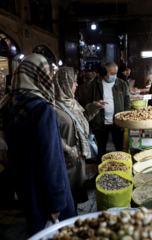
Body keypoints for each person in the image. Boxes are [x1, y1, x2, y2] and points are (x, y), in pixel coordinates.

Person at [0, 54, 76, 236]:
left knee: (36, 230)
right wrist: (56, 202)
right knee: (61, 232)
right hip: (46, 189)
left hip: (25, 185)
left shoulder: (6, 104)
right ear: (39, 77)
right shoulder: (42, 109)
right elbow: (51, 159)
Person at [53, 67, 106, 208]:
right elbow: (50, 135)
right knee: (67, 193)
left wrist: (94, 107)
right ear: (64, 83)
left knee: (75, 192)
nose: (76, 84)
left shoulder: (72, 102)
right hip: (66, 158)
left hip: (77, 156)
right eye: (74, 81)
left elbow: (82, 118)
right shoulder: (53, 107)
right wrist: (66, 147)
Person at [90, 62, 131, 164]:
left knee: (119, 148)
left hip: (117, 122)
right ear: (104, 72)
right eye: (112, 73)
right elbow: (89, 102)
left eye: (115, 73)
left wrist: (123, 115)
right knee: (101, 150)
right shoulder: (95, 85)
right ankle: (101, 170)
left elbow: (127, 101)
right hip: (100, 122)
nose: (114, 76)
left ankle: (121, 168)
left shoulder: (122, 84)